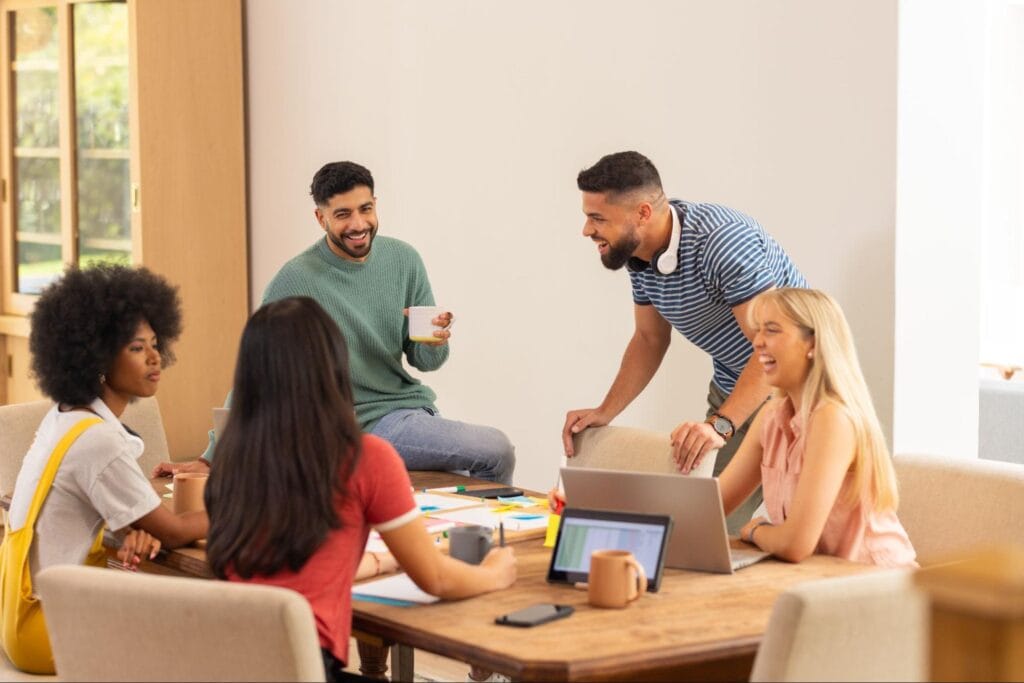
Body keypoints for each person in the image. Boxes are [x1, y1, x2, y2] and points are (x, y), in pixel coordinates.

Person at [204, 297, 516, 682]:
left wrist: (383, 561)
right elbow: (435, 578)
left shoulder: (233, 460)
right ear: (333, 368)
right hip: (304, 667)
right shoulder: (364, 458)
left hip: (227, 664)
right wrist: (496, 573)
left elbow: (295, 566)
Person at [155, 161, 515, 484]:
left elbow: (426, 362)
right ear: (320, 218)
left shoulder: (404, 259)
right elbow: (256, 370)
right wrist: (211, 455)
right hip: (359, 423)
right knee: (496, 449)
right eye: (343, 214)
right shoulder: (295, 280)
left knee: (466, 477)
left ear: (376, 204)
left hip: (411, 413)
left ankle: (477, 531)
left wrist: (434, 340)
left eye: (365, 209)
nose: (358, 225)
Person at [562, 151, 807, 532]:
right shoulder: (639, 254)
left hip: (801, 396)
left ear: (643, 213)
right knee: (700, 529)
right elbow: (649, 338)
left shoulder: (722, 242)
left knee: (811, 532)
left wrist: (720, 425)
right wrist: (605, 411)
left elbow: (773, 350)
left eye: (598, 218)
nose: (586, 230)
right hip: (733, 390)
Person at [1, 265, 207, 673]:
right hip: (52, 629)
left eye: (155, 344)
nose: (155, 357)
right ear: (96, 357)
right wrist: (246, 507)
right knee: (200, 629)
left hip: (19, 619)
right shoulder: (99, 441)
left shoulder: (65, 417)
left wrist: (135, 528)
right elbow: (173, 532)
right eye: (136, 348)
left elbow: (103, 509)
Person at [721, 288, 916, 567]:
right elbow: (713, 505)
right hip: (818, 579)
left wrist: (756, 530)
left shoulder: (832, 418)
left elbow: (795, 545)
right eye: (758, 330)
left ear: (813, 344)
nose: (758, 341)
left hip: (876, 582)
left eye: (772, 330)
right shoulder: (771, 417)